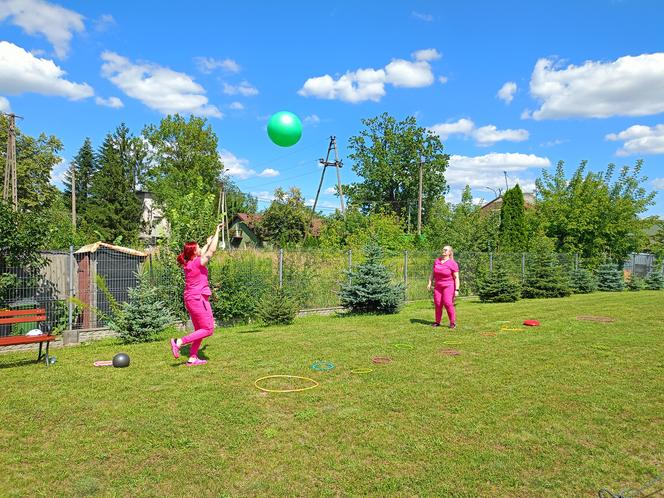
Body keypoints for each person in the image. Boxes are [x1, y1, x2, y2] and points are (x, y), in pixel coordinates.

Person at [170, 223, 224, 366]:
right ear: (194, 252)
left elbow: (205, 250)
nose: (201, 249)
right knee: (208, 329)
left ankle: (192, 358)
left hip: (190, 299)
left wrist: (207, 243)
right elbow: (211, 251)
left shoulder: (189, 264)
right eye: (198, 248)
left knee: (200, 330)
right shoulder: (197, 263)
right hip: (198, 299)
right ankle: (179, 342)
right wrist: (217, 232)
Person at [427, 245, 460, 329]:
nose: (443, 251)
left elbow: (456, 277)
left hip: (449, 285)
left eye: (446, 250)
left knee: (448, 303)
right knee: (438, 304)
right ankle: (437, 322)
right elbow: (432, 273)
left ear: (449, 252)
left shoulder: (453, 263)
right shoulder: (437, 261)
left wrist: (457, 289)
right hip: (438, 286)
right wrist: (430, 283)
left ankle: (452, 323)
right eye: (443, 249)